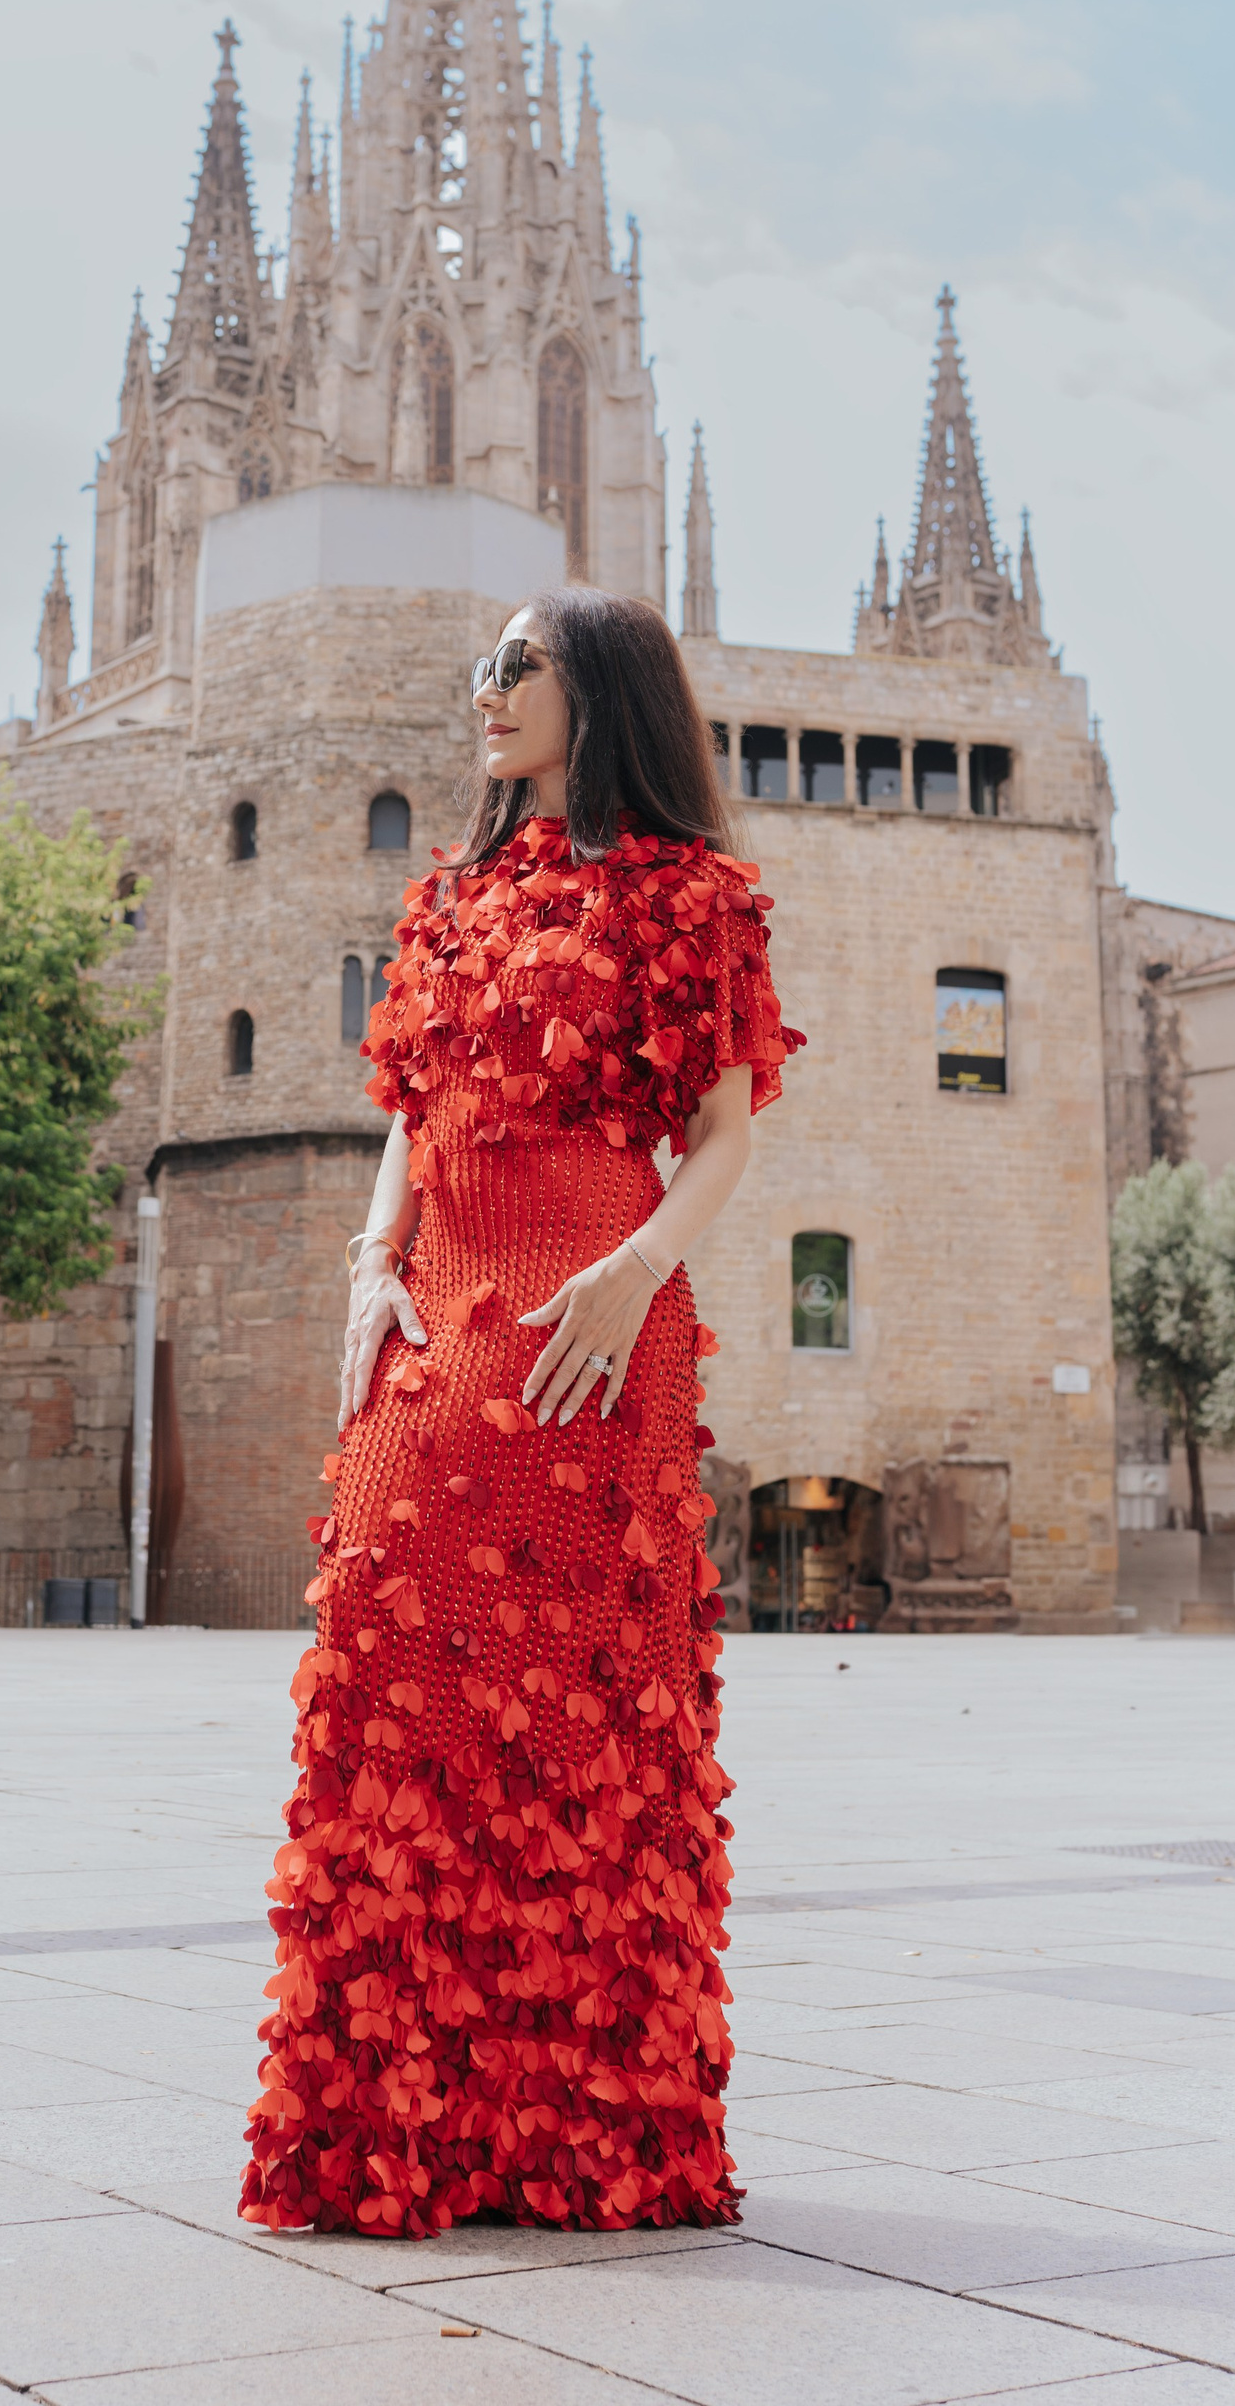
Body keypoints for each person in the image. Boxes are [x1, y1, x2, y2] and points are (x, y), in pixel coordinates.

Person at [241, 590, 801, 2237]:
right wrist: (371, 1264)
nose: (485, 692)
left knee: (586, 1722)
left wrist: (636, 1272)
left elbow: (721, 1134)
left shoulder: (696, 896)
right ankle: (395, 2124)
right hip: (438, 1310)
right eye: (482, 668)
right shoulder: (447, 898)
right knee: (382, 1667)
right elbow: (411, 1110)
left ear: (600, 691)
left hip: (592, 1322)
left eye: (518, 667)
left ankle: (578, 2128)